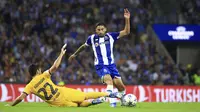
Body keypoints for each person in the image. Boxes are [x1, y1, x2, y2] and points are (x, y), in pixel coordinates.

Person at [6, 44, 121, 107]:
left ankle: (97, 101)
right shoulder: (43, 75)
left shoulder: (29, 86)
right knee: (85, 96)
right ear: (37, 71)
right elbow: (55, 67)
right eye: (39, 69)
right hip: (63, 92)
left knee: (80, 105)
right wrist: (61, 54)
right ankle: (109, 94)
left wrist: (11, 105)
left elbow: (20, 98)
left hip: (59, 103)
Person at [68, 8, 130, 107]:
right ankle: (112, 103)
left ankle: (122, 100)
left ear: (105, 29)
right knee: (109, 81)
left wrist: (127, 19)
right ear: (95, 30)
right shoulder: (92, 38)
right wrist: (74, 54)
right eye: (98, 29)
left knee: (121, 87)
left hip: (112, 65)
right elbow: (84, 46)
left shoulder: (111, 36)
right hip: (100, 65)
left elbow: (126, 32)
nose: (100, 31)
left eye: (102, 29)